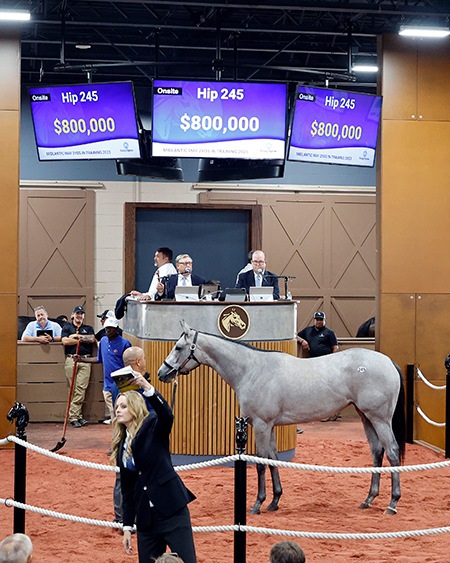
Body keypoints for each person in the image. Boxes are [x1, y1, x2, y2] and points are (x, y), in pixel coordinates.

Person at [112, 347, 196, 563]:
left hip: (172, 511)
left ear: (135, 408)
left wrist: (147, 387)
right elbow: (128, 489)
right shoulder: (122, 444)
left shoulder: (152, 427)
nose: (118, 410)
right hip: (146, 520)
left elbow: (167, 415)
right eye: (117, 407)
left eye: (123, 406)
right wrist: (128, 527)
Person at [297, 311, 339, 422]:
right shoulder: (308, 331)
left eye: (321, 319)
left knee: (330, 389)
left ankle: (333, 413)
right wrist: (302, 341)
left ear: (324, 321)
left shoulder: (329, 333)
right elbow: (294, 335)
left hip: (327, 364)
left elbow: (335, 348)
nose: (319, 322)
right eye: (317, 319)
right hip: (313, 364)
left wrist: (335, 363)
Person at [61, 305, 96, 428]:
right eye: (77, 313)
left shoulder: (88, 328)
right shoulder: (67, 327)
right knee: (72, 388)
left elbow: (91, 338)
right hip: (71, 359)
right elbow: (65, 341)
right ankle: (76, 416)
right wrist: (81, 339)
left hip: (85, 360)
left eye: (81, 314)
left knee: (81, 388)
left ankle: (74, 416)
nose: (79, 316)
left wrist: (75, 337)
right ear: (72, 315)